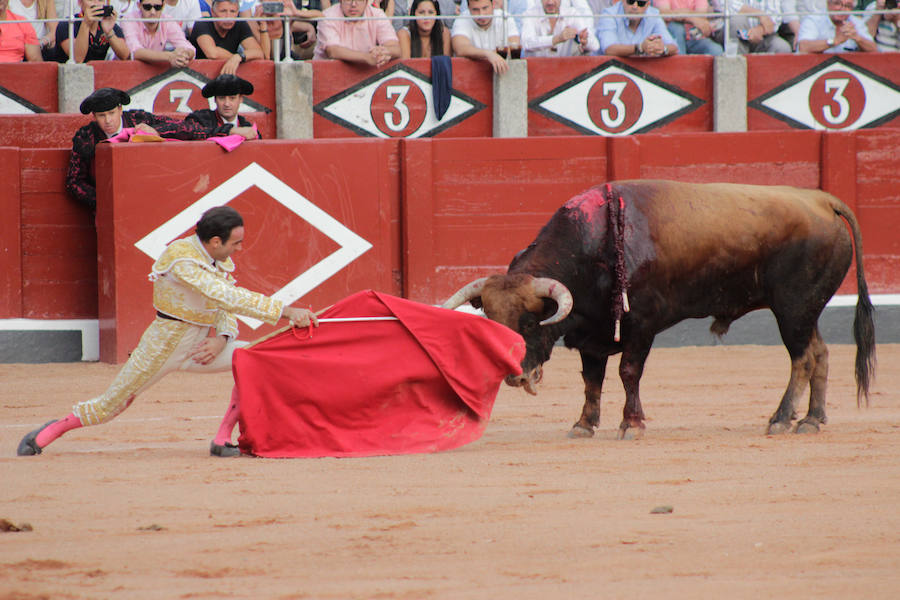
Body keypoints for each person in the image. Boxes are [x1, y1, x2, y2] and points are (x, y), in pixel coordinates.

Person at [17, 206, 319, 458]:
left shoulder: (214, 257)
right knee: (112, 405)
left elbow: (223, 302)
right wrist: (286, 311)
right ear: (215, 241)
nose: (240, 249)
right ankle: (51, 430)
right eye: (236, 243)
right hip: (164, 345)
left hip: (202, 345)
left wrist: (222, 338)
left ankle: (222, 438)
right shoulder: (181, 260)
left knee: (252, 360)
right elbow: (224, 296)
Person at [66, 88, 199, 212]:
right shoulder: (85, 137)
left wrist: (156, 130)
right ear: (94, 116)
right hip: (110, 205)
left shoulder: (138, 119)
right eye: (102, 115)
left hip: (151, 191)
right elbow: (75, 182)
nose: (108, 120)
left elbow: (185, 127)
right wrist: (105, 200)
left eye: (111, 113)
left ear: (120, 110)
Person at [313, 0, 400, 66]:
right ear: (340, 0)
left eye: (359, 0)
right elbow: (333, 51)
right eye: (348, 0)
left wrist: (384, 51)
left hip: (365, 75)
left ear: (366, 2)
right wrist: (366, 57)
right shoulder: (328, 16)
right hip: (329, 72)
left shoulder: (377, 14)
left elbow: (396, 48)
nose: (353, 4)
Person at [189, 0, 264, 75]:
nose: (228, 16)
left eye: (232, 11)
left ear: (237, 12)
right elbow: (212, 53)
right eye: (223, 11)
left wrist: (238, 57)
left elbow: (258, 53)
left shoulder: (240, 23)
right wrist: (234, 58)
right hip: (198, 75)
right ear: (213, 12)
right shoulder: (202, 23)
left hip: (227, 75)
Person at [450, 0, 520, 74]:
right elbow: (460, 49)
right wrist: (488, 54)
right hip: (470, 75)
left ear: (493, 4)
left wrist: (489, 55)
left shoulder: (505, 17)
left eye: (485, 8)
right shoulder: (462, 20)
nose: (481, 14)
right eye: (475, 10)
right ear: (468, 8)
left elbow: (514, 46)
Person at [184, 74, 261, 139]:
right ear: (215, 99)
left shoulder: (247, 128)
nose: (227, 104)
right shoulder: (200, 120)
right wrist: (231, 131)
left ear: (240, 99)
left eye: (232, 98)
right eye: (221, 98)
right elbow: (188, 132)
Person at [51, 0, 130, 62]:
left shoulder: (107, 23)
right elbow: (77, 59)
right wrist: (86, 24)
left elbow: (125, 56)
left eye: (100, 0)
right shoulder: (67, 25)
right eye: (90, 0)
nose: (96, 4)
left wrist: (109, 32)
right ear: (80, 2)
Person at [122, 0, 196, 65]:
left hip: (155, 71)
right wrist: (169, 56)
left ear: (163, 6)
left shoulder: (167, 20)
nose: (152, 12)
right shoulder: (129, 20)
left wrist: (183, 55)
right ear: (139, 6)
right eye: (147, 7)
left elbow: (188, 47)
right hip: (126, 69)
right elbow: (134, 52)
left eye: (157, 7)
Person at [596, 0, 679, 56]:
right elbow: (609, 49)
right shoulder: (609, 14)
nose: (635, 6)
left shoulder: (653, 14)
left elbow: (674, 47)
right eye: (631, 1)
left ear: (647, 4)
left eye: (641, 3)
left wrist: (662, 48)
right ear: (623, 1)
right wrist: (640, 48)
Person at [520, 0, 599, 56]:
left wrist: (585, 42)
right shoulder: (529, 15)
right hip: (535, 72)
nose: (550, 2)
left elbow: (595, 45)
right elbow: (526, 43)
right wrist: (557, 39)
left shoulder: (572, 14)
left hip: (566, 71)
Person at [247, 0, 319, 60]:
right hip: (267, 64)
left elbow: (320, 15)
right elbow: (267, 56)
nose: (272, 5)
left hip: (289, 60)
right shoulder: (254, 23)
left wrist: (296, 12)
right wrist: (263, 25)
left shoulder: (286, 17)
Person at [797, 0, 877, 51]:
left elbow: (874, 50)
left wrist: (858, 38)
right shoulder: (813, 20)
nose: (842, 9)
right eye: (837, 3)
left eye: (848, 6)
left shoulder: (856, 22)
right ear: (828, 4)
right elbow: (804, 47)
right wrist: (834, 41)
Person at [654, 0, 723, 54]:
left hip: (695, 38)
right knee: (677, 28)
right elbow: (664, 14)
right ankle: (679, 65)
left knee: (716, 50)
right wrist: (690, 16)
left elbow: (702, 18)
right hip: (672, 41)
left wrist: (682, 14)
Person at [722, 0, 792, 53]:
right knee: (738, 20)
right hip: (734, 33)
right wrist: (760, 14)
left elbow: (775, 16)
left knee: (782, 47)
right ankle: (737, 67)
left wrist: (759, 30)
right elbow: (727, 5)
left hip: (764, 36)